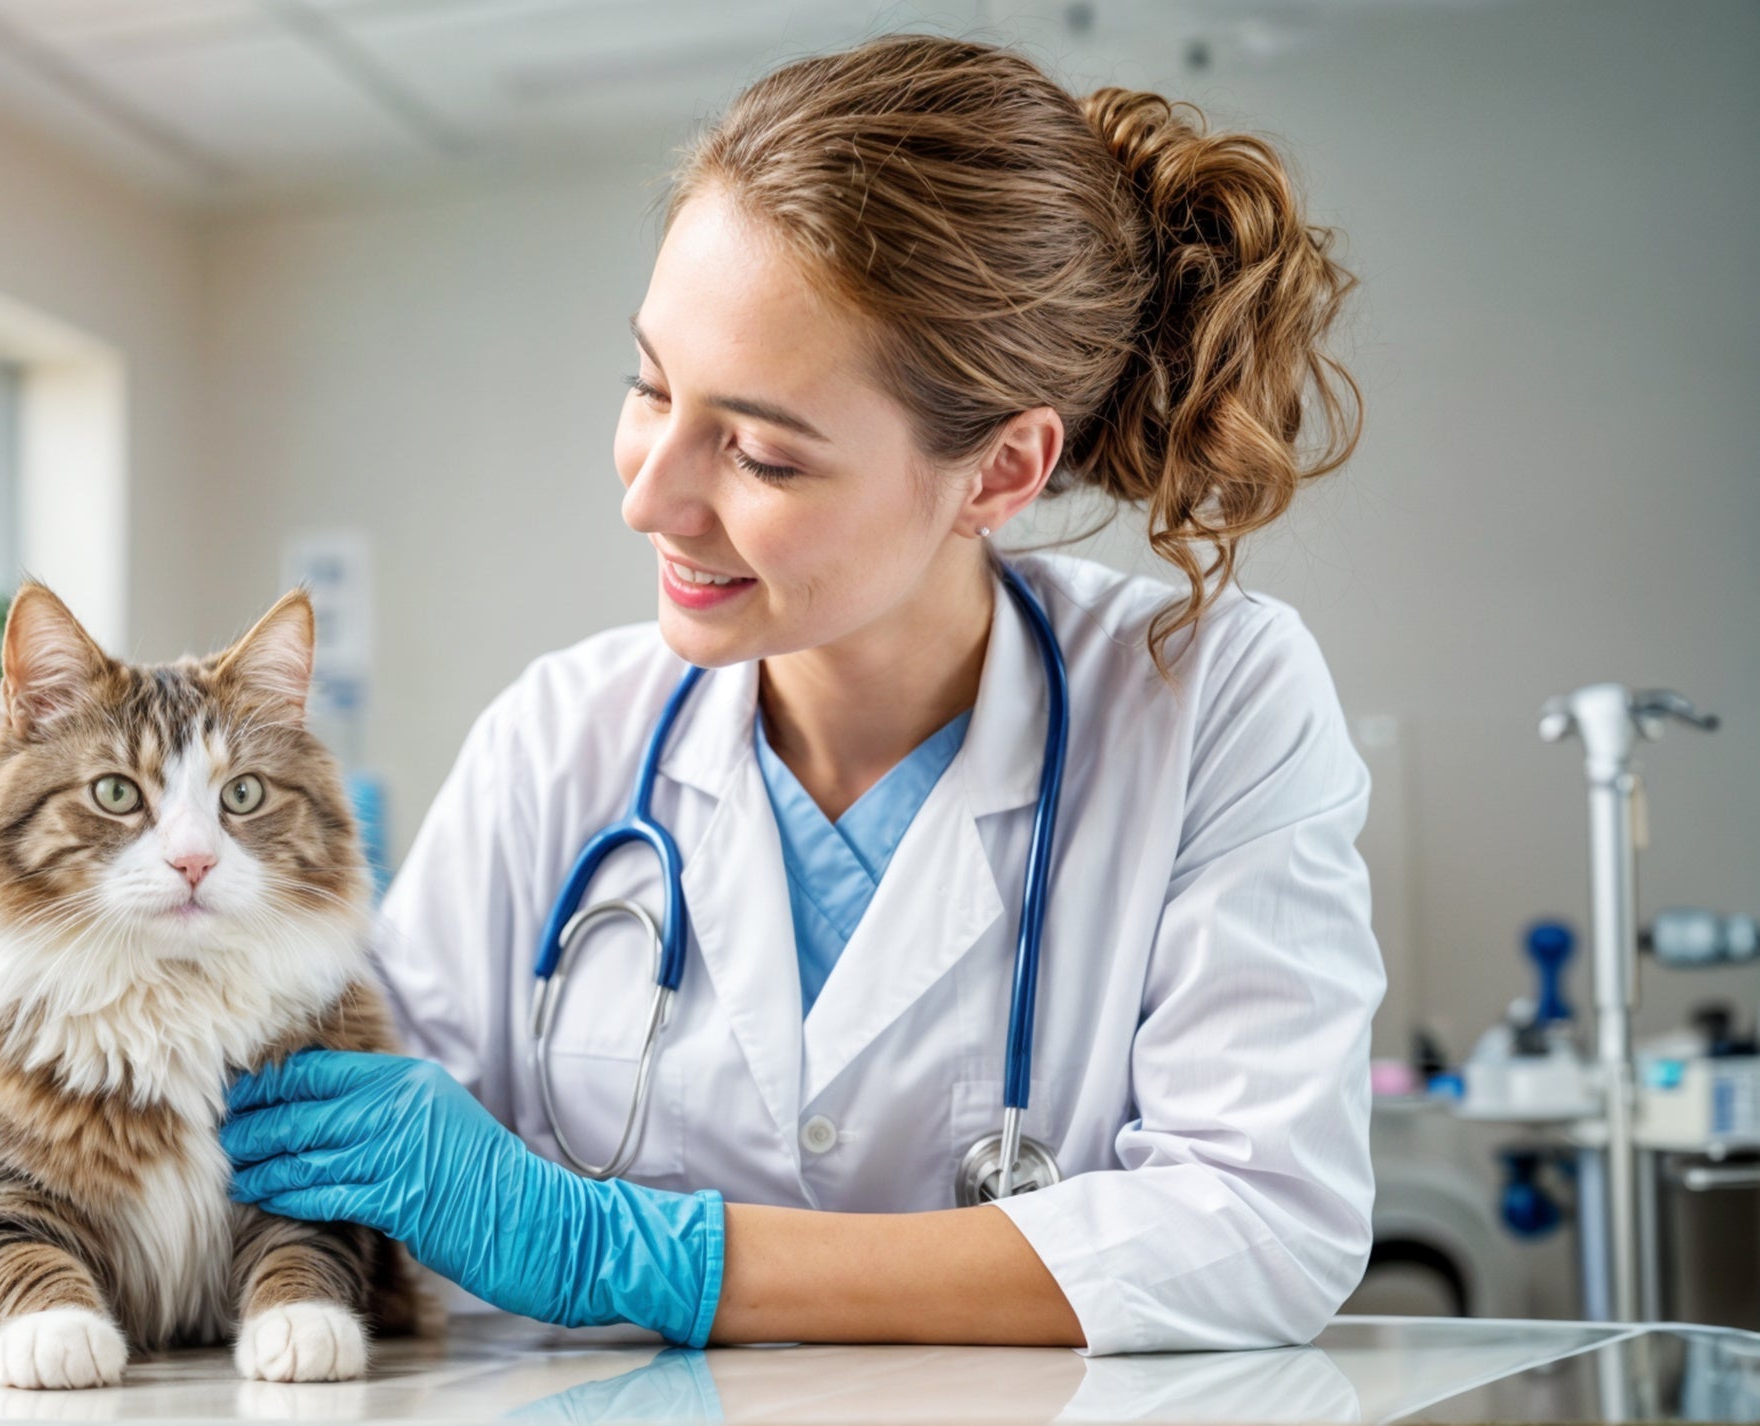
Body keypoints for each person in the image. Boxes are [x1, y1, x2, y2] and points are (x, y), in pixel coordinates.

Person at [220, 33, 1380, 1356]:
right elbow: (341, 1155)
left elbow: (1260, 1221)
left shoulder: (1209, 697)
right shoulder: (558, 742)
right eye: (650, 385)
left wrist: (643, 1255)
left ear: (1001, 473)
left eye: (762, 453)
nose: (647, 493)